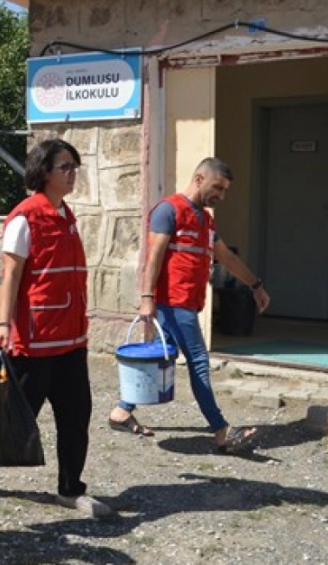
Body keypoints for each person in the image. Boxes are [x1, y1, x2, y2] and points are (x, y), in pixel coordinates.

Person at [0, 138, 114, 519]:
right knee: (13, 420)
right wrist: (4, 323)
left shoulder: (66, 214)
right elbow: (11, 276)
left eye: (75, 166)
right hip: (35, 340)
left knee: (76, 416)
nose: (72, 174)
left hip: (71, 339)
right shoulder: (25, 217)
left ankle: (71, 489)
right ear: (44, 172)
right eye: (65, 167)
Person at [107, 157, 270, 453]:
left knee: (163, 356)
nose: (220, 195)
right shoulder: (169, 210)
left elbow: (227, 258)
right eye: (217, 187)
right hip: (173, 303)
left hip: (188, 303)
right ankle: (221, 431)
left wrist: (255, 285)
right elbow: (153, 257)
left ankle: (121, 412)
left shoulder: (206, 220)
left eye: (224, 191)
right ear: (198, 179)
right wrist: (146, 299)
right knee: (198, 362)